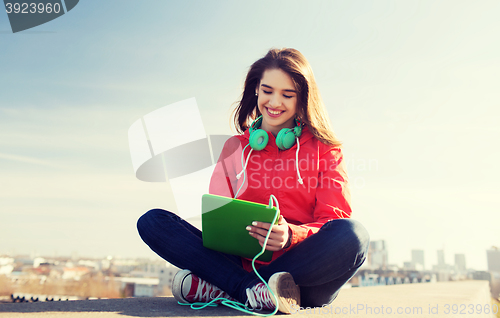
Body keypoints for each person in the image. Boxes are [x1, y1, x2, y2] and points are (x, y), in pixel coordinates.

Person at [137, 48, 369, 314]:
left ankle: (231, 287)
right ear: (256, 90)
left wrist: (290, 236)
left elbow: (333, 219)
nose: (275, 102)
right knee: (152, 221)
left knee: (354, 234)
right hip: (240, 264)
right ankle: (251, 289)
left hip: (302, 278)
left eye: (287, 94)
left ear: (302, 98)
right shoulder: (234, 148)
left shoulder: (325, 149)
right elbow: (218, 220)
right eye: (267, 91)